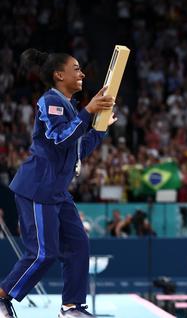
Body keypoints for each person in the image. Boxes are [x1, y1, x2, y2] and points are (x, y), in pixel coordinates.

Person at [0, 48, 116, 318]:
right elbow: (61, 138)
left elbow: (77, 149)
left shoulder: (69, 108)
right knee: (43, 253)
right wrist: (88, 112)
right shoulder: (49, 102)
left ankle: (72, 306)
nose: (83, 73)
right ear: (58, 74)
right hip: (38, 188)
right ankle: (3, 296)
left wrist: (100, 128)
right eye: (76, 69)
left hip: (57, 191)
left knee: (78, 245)